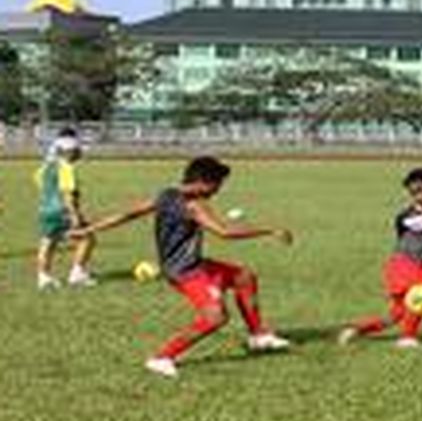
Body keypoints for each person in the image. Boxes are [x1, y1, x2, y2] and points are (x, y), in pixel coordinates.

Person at [71, 156, 293, 378]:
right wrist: (269, 230)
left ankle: (258, 336)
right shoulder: (194, 205)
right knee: (215, 317)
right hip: (186, 271)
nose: (217, 190)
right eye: (217, 185)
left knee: (244, 277)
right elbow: (224, 232)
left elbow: (127, 214)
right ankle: (161, 358)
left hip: (190, 263)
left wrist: (88, 229)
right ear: (204, 182)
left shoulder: (165, 195)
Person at [340, 169, 422, 349]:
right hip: (405, 264)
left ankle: (356, 330)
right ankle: (408, 338)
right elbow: (402, 237)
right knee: (420, 295)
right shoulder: (405, 216)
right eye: (413, 192)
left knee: (396, 315)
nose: (418, 197)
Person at [34, 129, 97, 290]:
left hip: (44, 210)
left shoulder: (46, 167)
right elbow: (67, 194)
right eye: (78, 150)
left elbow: (40, 183)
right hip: (62, 211)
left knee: (48, 243)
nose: (80, 152)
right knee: (87, 238)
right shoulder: (66, 168)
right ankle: (77, 274)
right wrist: (75, 215)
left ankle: (43, 278)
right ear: (70, 151)